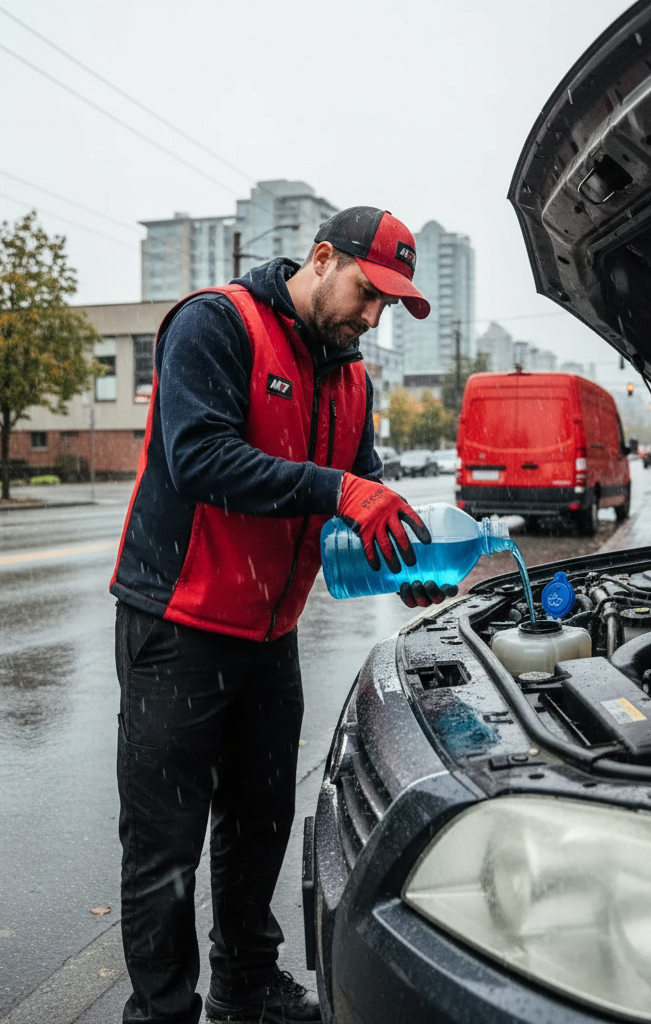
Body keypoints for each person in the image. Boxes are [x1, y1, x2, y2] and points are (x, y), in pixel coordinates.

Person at [110, 206, 454, 1024]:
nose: (372, 319)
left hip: (269, 635)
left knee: (259, 823)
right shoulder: (215, 324)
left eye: (388, 308)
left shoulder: (354, 376)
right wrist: (342, 490)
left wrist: (396, 560)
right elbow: (198, 457)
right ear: (323, 257)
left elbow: (354, 493)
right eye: (369, 295)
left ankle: (245, 985)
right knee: (164, 847)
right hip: (179, 624)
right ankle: (160, 1014)